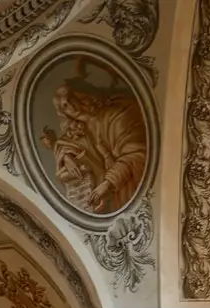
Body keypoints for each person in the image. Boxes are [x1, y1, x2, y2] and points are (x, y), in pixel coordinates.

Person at [42, 82, 148, 214]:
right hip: (114, 199)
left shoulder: (116, 116)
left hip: (131, 188)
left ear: (79, 96)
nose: (71, 106)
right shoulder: (80, 132)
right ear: (64, 113)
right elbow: (65, 146)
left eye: (70, 99)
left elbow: (135, 154)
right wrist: (66, 157)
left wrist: (108, 183)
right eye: (65, 106)